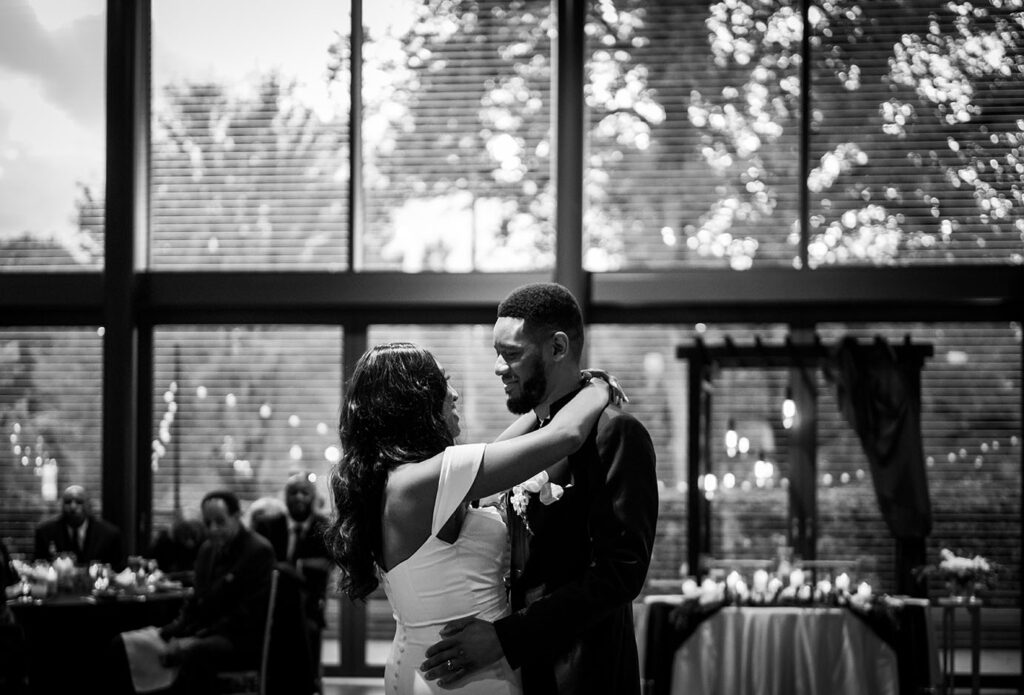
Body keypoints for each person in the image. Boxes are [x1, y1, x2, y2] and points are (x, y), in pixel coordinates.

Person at [326, 341, 618, 695]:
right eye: (441, 383)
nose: (454, 394)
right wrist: (597, 385)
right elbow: (565, 436)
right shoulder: (423, 482)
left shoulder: (401, 479)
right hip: (459, 678)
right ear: (413, 401)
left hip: (440, 665)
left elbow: (502, 448)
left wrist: (552, 401)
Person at [421, 282, 659, 695]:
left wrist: (506, 637)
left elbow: (621, 574)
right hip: (520, 669)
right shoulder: (538, 436)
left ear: (558, 348)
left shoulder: (616, 433)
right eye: (498, 353)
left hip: (584, 670)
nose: (498, 367)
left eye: (512, 354)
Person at [108, 489, 276, 695]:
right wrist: (170, 631)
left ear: (236, 517)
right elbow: (195, 600)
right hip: (198, 631)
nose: (213, 529)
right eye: (207, 523)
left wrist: (195, 638)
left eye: (220, 522)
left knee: (189, 654)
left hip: (235, 639)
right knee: (123, 645)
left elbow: (247, 614)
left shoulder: (258, 550)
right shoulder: (207, 549)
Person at [34, 484, 123, 568]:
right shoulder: (45, 532)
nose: (73, 506)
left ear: (88, 505)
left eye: (79, 502)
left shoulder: (108, 534)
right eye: (68, 502)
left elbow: (119, 571)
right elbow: (38, 567)